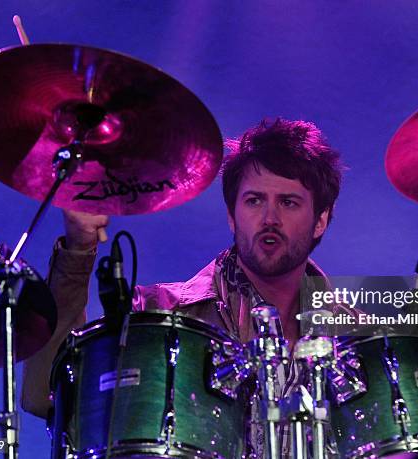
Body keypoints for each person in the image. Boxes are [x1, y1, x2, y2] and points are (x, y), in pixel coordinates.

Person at [21, 118, 344, 456]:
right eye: (254, 201)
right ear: (232, 216)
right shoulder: (155, 313)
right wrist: (78, 250)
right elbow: (42, 395)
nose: (269, 218)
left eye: (288, 202)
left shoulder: (358, 334)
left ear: (320, 220)